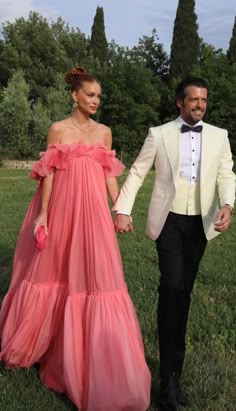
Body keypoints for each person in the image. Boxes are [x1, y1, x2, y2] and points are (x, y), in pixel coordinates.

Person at [0, 66, 151, 411]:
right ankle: (45, 346)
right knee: (53, 275)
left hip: (94, 214)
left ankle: (92, 360)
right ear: (75, 96)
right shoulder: (58, 130)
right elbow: (48, 174)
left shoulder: (104, 133)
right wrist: (43, 214)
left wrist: (120, 209)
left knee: (98, 279)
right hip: (62, 211)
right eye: (90, 95)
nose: (96, 101)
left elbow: (109, 176)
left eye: (99, 96)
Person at [113, 77, 235, 410]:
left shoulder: (219, 137)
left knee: (183, 294)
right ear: (180, 102)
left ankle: (174, 375)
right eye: (194, 99)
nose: (200, 105)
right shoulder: (160, 134)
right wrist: (122, 209)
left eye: (204, 100)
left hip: (200, 224)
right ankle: (167, 382)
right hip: (167, 221)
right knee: (171, 287)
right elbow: (138, 171)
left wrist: (228, 204)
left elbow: (227, 173)